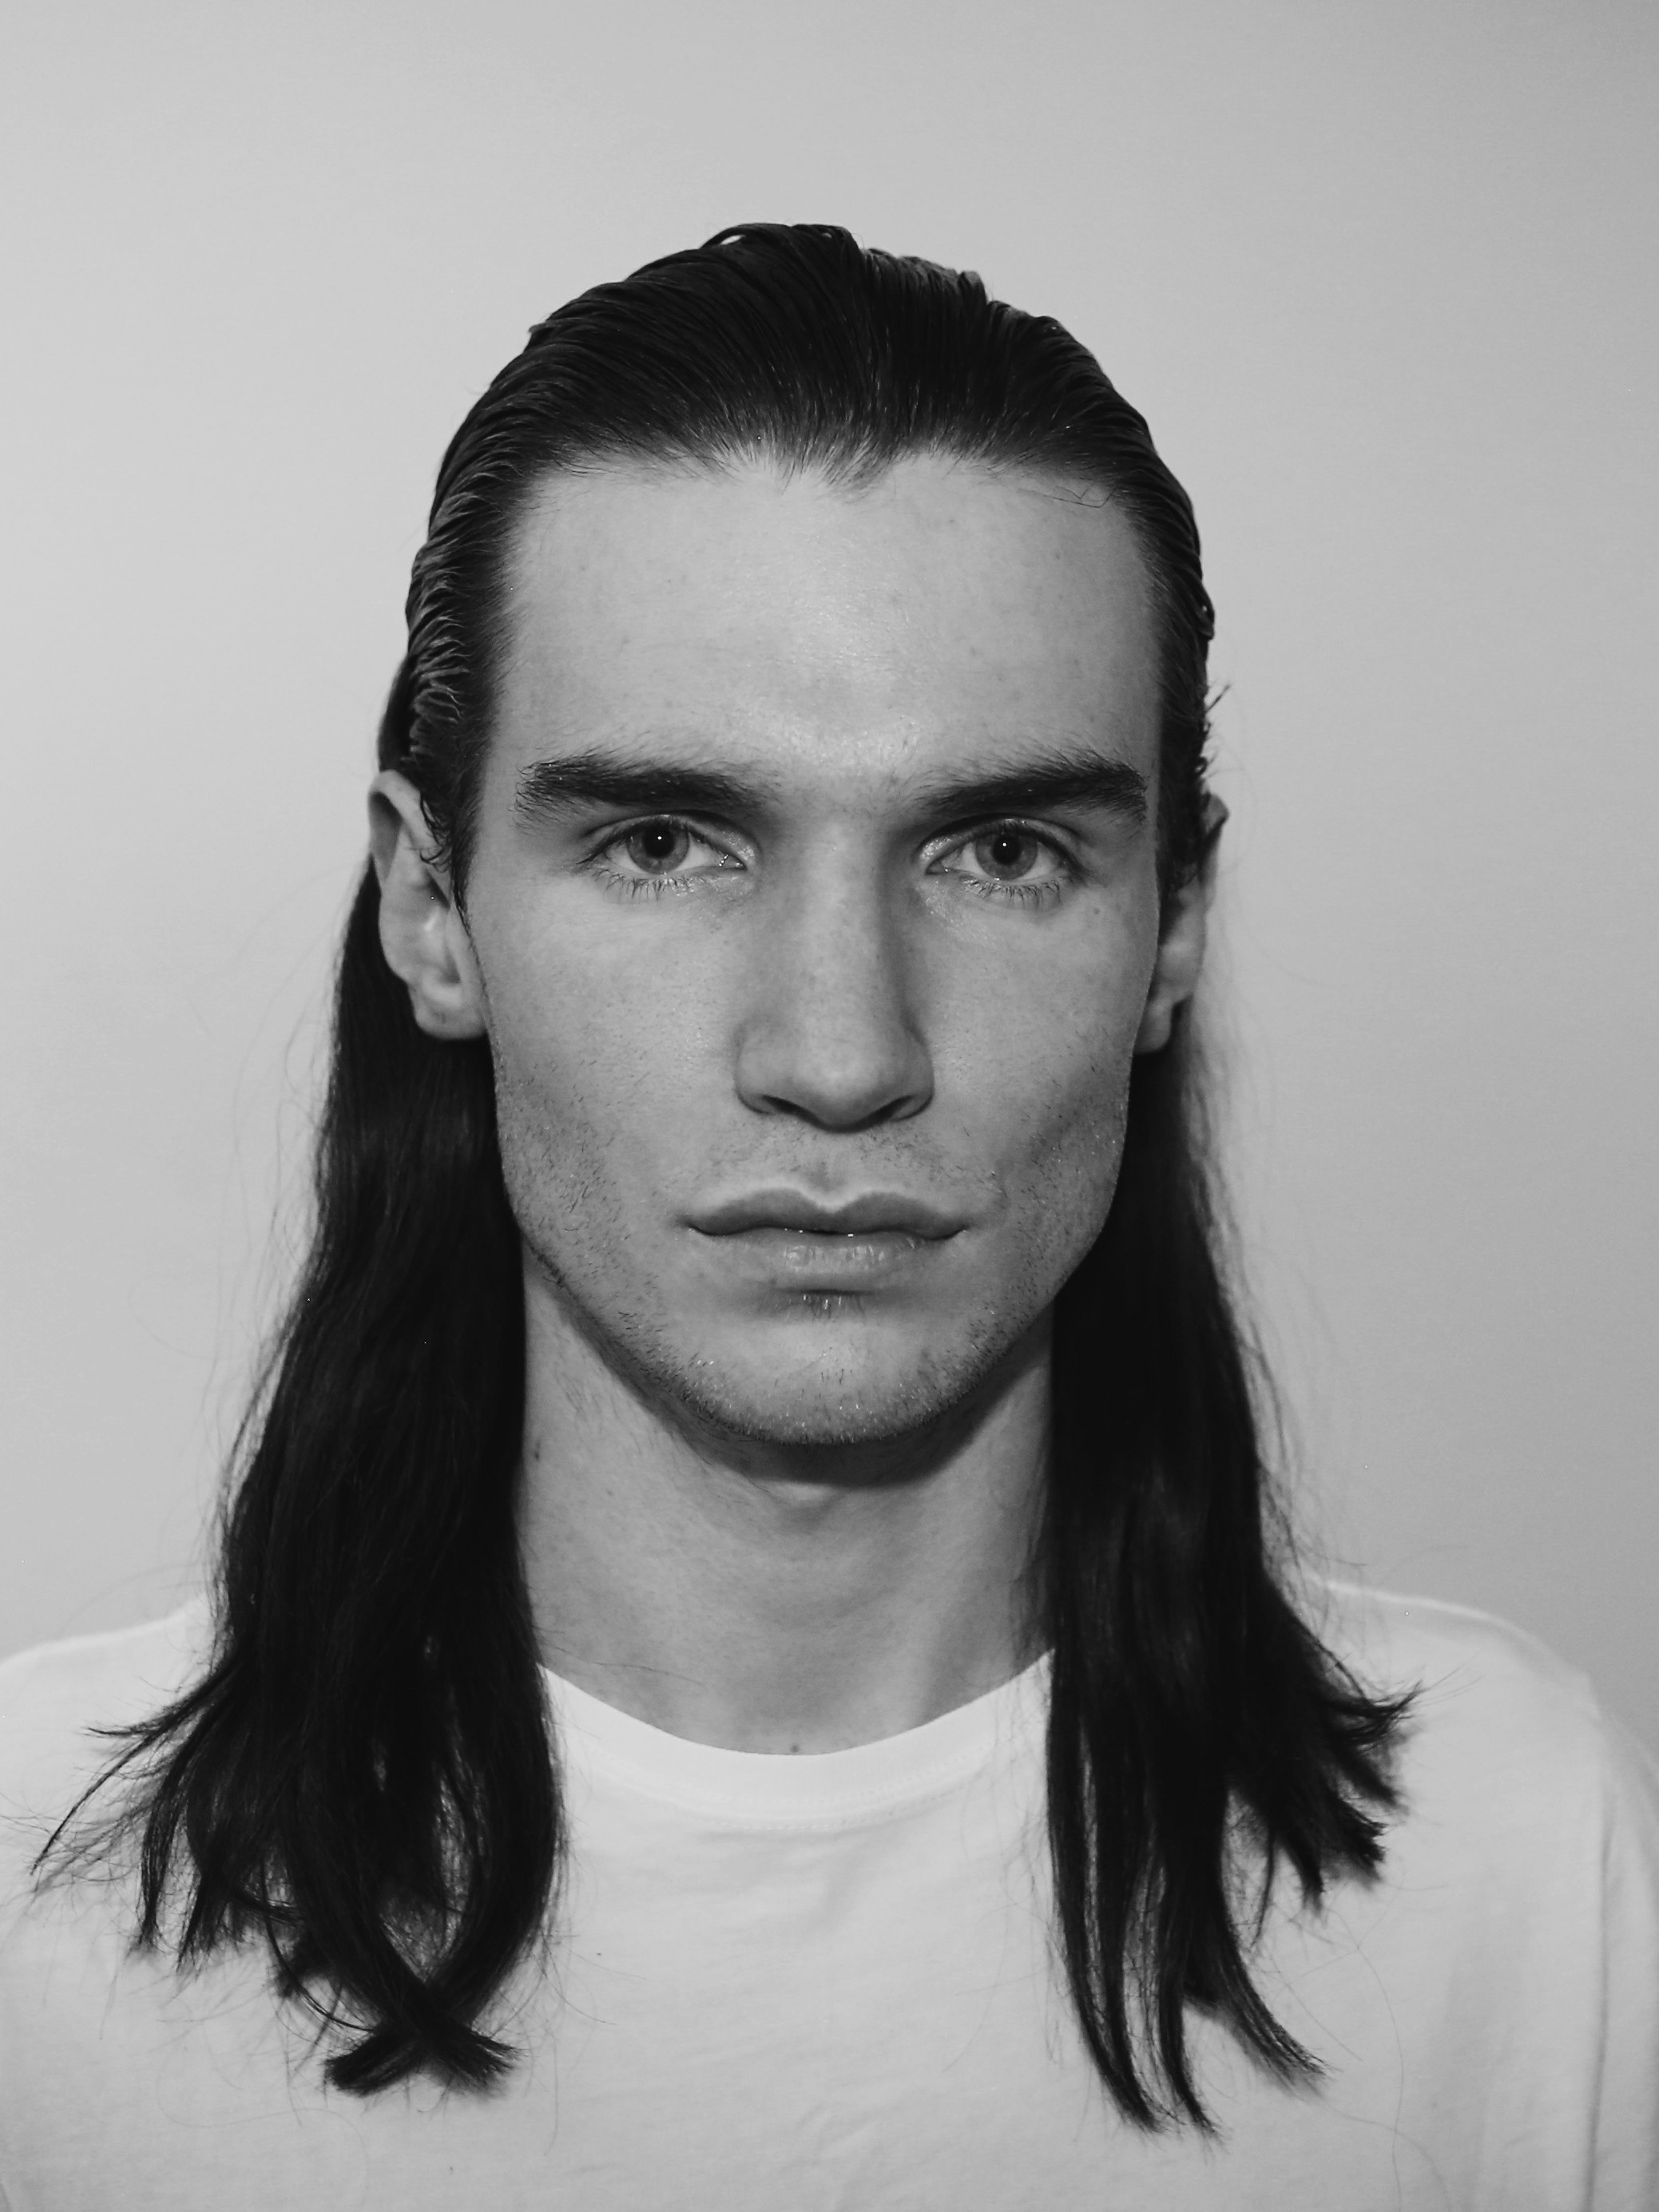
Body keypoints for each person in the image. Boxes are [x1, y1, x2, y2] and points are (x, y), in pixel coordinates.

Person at [1, 223, 1654, 2210]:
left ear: (1171, 931)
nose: (843, 1051)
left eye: (1003, 850)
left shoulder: (1518, 1862)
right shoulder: (34, 1919)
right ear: (432, 910)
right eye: (664, 842)